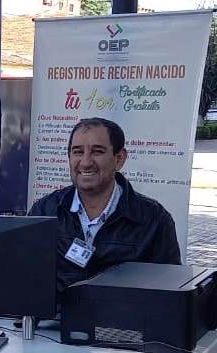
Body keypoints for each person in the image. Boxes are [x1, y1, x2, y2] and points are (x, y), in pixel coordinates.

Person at [29, 117, 181, 298]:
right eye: (78, 152)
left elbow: (169, 296)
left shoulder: (154, 220)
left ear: (119, 159)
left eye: (97, 152)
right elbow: (25, 277)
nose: (85, 162)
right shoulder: (45, 211)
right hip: (57, 316)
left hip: (123, 316)